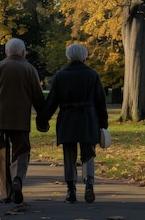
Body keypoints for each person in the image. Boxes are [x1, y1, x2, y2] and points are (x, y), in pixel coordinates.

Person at [39, 43, 108, 204]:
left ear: (68, 56)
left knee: (69, 155)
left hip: (67, 118)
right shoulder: (92, 75)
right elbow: (100, 101)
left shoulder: (61, 75)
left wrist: (43, 120)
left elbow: (52, 102)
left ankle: (71, 190)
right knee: (88, 153)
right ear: (84, 56)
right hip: (88, 118)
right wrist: (103, 123)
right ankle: (89, 183)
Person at [0, 38, 46, 204]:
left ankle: (5, 193)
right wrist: (42, 119)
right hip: (20, 119)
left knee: (2, 156)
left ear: (6, 52)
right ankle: (17, 178)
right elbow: (38, 97)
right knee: (21, 151)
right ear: (23, 52)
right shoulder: (29, 69)